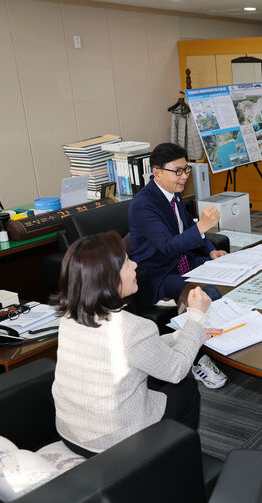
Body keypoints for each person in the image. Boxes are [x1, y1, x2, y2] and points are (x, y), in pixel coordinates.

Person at [51, 232, 218, 458]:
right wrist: (196, 318)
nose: (135, 265)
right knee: (186, 389)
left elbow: (136, 351)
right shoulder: (132, 327)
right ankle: (179, 460)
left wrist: (183, 335)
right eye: (127, 262)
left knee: (154, 381)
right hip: (115, 442)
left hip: (71, 434)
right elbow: (176, 370)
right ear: (109, 277)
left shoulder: (70, 315)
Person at [128, 142, 228, 388]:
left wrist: (211, 250)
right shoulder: (143, 204)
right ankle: (195, 358)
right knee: (201, 293)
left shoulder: (173, 194)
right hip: (158, 272)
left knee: (228, 274)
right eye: (178, 171)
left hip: (183, 262)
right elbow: (167, 246)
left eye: (186, 170)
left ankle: (221, 342)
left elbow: (188, 228)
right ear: (157, 172)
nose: (184, 176)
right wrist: (203, 226)